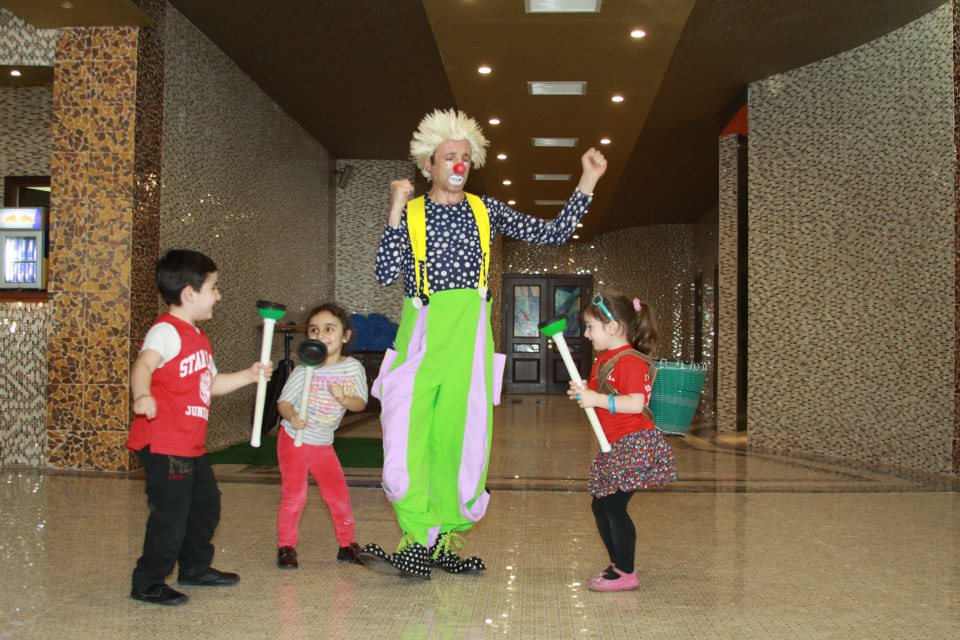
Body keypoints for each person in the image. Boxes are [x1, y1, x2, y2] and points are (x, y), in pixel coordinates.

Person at [360, 109, 608, 580]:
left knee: (461, 442)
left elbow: (552, 233)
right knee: (405, 439)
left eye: (465, 157)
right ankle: (417, 534)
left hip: (469, 340)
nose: (459, 165)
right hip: (420, 337)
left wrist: (587, 181)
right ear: (428, 164)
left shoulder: (485, 210)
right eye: (449, 157)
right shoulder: (411, 213)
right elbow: (385, 273)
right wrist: (395, 208)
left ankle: (436, 544)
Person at [127, 249, 273, 606]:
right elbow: (143, 365)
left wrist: (249, 375)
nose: (218, 296)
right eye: (214, 287)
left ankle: (194, 567)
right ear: (189, 293)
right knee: (172, 514)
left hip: (190, 446)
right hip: (164, 443)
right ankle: (148, 581)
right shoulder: (166, 330)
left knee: (206, 506)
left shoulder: (199, 338)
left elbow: (211, 385)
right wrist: (142, 394)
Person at [567, 290, 678, 592]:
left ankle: (626, 572)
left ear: (613, 327)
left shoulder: (629, 360)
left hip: (633, 444)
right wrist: (583, 392)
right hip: (615, 444)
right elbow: (600, 395)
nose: (587, 334)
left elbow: (635, 403)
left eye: (590, 327)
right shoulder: (605, 358)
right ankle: (618, 565)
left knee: (613, 507)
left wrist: (596, 398)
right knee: (601, 505)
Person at [274, 303, 369, 570]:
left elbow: (360, 403)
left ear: (345, 336)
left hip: (324, 444)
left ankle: (347, 545)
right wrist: (292, 415)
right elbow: (283, 403)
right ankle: (286, 546)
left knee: (338, 495)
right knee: (295, 496)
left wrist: (345, 398)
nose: (321, 335)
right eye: (314, 330)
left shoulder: (352, 369)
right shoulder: (304, 369)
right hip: (294, 440)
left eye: (329, 329)